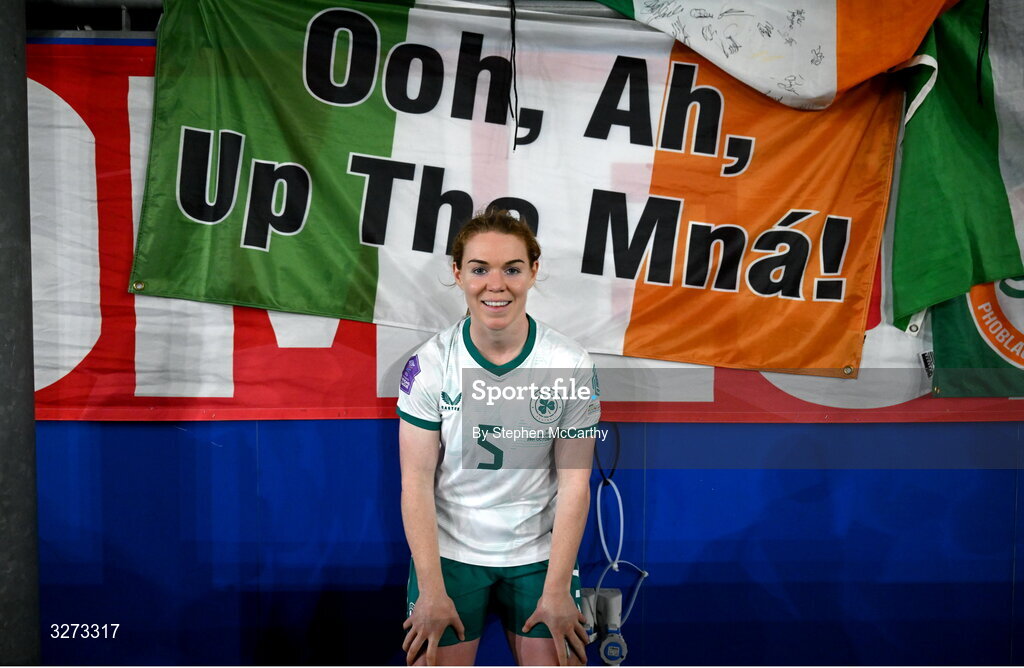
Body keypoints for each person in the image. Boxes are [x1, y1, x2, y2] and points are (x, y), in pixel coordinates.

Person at [397, 209, 600, 666]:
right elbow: (416, 483)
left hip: (537, 553)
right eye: (479, 269)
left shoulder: (568, 363)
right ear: (457, 273)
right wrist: (431, 590)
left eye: (511, 269)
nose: (496, 284)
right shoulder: (431, 364)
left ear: (533, 271)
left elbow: (574, 485)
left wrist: (556, 588)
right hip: (450, 553)